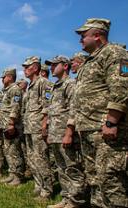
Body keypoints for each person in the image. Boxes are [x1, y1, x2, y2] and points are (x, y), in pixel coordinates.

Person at [63, 18, 128, 207]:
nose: (80, 40)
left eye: (84, 36)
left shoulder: (115, 53)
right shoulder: (90, 62)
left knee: (111, 180)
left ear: (97, 35)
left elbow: (122, 88)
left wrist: (111, 122)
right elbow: (79, 99)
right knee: (94, 178)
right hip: (88, 129)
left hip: (105, 130)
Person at [45, 55, 86, 208]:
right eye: (51, 65)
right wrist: (49, 132)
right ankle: (66, 197)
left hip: (65, 133)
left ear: (65, 66)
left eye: (55, 65)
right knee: (61, 168)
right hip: (55, 133)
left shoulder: (70, 84)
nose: (51, 68)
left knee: (72, 168)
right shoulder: (56, 86)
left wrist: (69, 133)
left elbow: (74, 110)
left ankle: (76, 201)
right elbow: (51, 111)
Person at [22, 56, 54, 199]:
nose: (24, 70)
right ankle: (38, 184)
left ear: (35, 68)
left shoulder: (44, 83)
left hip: (38, 127)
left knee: (41, 158)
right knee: (32, 158)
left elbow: (48, 106)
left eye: (26, 67)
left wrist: (44, 125)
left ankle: (47, 189)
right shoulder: (30, 86)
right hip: (29, 127)